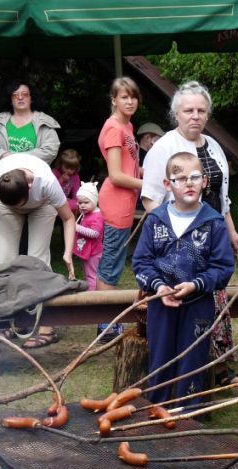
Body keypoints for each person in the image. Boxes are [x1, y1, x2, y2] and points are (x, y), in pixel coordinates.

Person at [141, 80, 238, 383]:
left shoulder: (213, 147)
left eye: (201, 110)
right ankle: (168, 381)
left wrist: (231, 231)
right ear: (176, 114)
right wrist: (172, 241)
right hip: (175, 247)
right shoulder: (164, 147)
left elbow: (222, 197)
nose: (195, 116)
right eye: (188, 110)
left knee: (212, 303)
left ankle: (215, 370)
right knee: (177, 315)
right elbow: (150, 199)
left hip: (211, 235)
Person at [132, 152, 235, 405]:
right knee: (160, 359)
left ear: (204, 182)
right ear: (168, 185)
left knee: (193, 361)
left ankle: (187, 416)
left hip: (198, 305)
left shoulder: (214, 223)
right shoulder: (155, 221)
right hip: (161, 303)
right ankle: (157, 411)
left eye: (195, 177)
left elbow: (223, 267)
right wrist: (158, 287)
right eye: (180, 178)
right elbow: (141, 262)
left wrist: (196, 285)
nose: (188, 183)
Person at [0, 153, 75, 348]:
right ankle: (9, 321)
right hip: (4, 206)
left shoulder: (46, 182)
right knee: (3, 265)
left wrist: (67, 253)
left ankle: (45, 325)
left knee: (38, 262)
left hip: (42, 204)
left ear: (29, 187)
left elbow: (68, 218)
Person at [96, 77, 143, 339]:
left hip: (126, 201)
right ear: (113, 99)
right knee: (111, 263)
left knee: (114, 259)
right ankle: (105, 322)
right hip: (116, 202)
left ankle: (106, 319)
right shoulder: (114, 128)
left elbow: (130, 168)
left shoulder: (128, 126)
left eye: (133, 97)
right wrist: (147, 184)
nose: (130, 101)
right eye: (124, 97)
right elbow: (116, 175)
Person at [0, 80, 60, 165]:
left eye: (24, 94)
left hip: (33, 173)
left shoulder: (44, 121)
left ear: (31, 98)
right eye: (15, 95)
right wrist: (3, 155)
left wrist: (16, 158)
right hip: (1, 172)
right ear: (10, 100)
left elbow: (50, 150)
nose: (20, 97)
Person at [73, 182, 103, 291]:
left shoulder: (97, 216)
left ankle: (91, 296)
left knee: (91, 274)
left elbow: (95, 233)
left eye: (86, 202)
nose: (82, 205)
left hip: (93, 252)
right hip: (88, 249)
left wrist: (76, 227)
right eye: (80, 202)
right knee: (88, 272)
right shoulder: (87, 212)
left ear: (95, 201)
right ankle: (91, 289)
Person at [52, 148, 82, 213]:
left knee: (77, 204)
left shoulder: (75, 176)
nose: (69, 171)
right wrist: (61, 180)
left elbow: (76, 192)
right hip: (53, 200)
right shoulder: (55, 172)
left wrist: (76, 202)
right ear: (60, 164)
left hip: (64, 201)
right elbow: (51, 189)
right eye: (66, 167)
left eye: (72, 169)